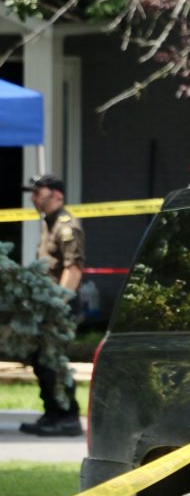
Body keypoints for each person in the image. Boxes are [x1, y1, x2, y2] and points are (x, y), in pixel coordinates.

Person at [19, 173, 84, 437]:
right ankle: (52, 414)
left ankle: (67, 417)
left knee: (54, 361)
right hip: (46, 306)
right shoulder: (50, 223)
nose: (34, 198)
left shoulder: (67, 226)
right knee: (41, 359)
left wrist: (58, 304)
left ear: (56, 194)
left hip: (59, 306)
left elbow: (74, 268)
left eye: (39, 192)